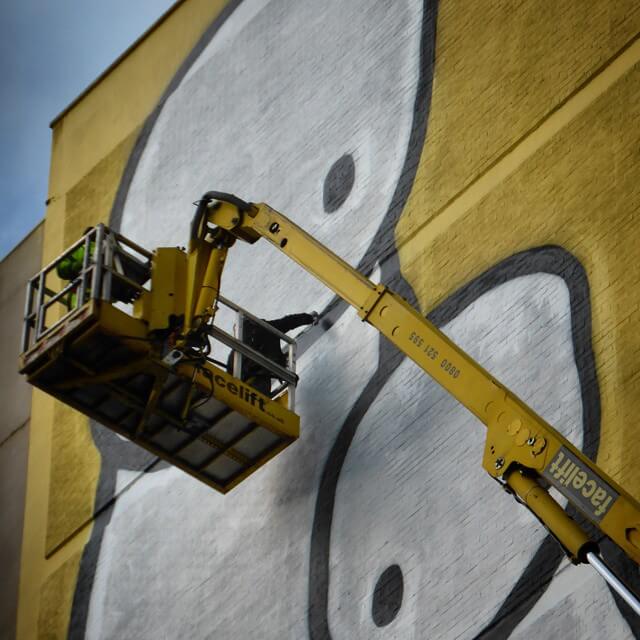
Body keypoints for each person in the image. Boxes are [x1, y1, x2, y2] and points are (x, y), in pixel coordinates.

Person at [229, 312, 319, 395]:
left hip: (242, 386)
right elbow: (289, 321)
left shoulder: (236, 348)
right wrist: (310, 317)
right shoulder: (267, 327)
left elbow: (229, 372)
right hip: (263, 380)